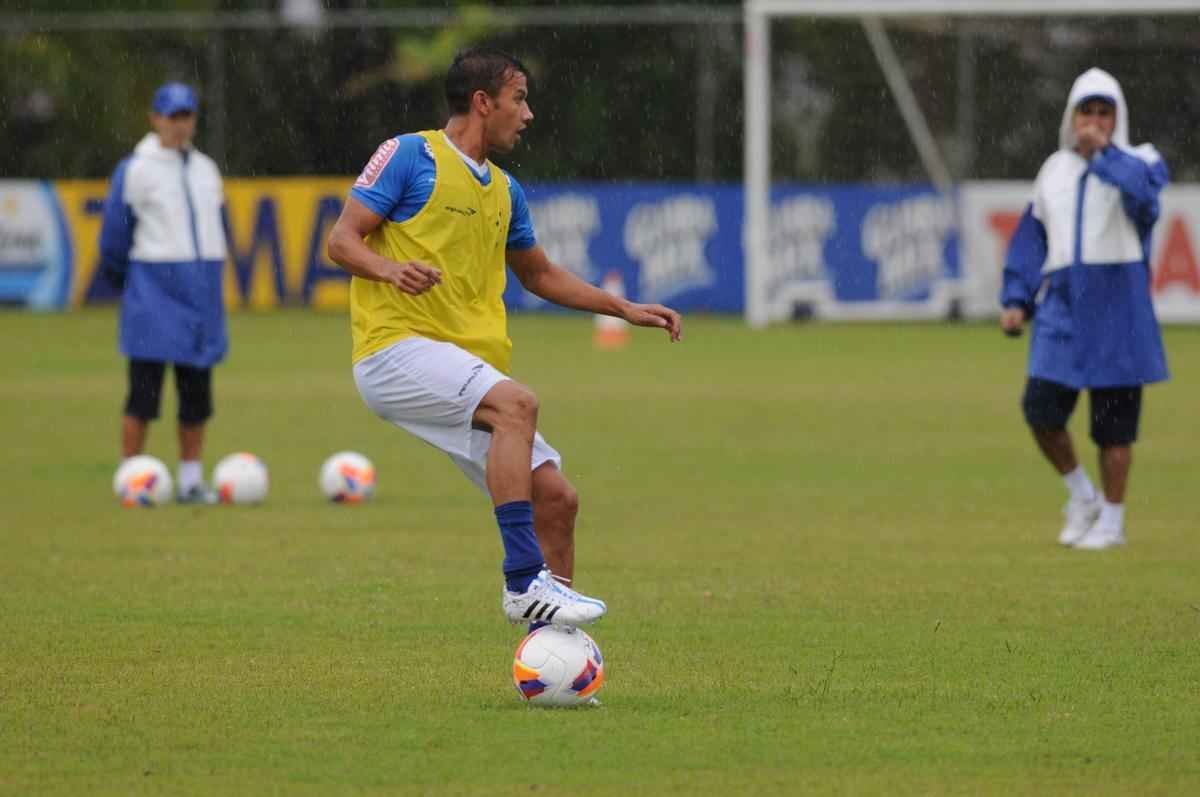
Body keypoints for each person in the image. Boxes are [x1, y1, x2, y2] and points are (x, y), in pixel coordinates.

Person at [326, 48, 682, 627]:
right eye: (519, 99)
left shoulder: (506, 191)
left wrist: (623, 308)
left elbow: (539, 275)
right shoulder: (409, 155)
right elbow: (342, 240)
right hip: (394, 349)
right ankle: (522, 582)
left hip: (463, 372)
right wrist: (391, 270)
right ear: (482, 102)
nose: (529, 113)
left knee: (558, 501)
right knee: (518, 404)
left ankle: (553, 648)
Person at [1000, 67, 1169, 551]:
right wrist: (1016, 297)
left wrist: (1104, 155)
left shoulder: (1141, 160)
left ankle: (1112, 523)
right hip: (1062, 305)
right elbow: (1032, 237)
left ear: (1118, 118)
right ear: (1071, 117)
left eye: (1104, 112)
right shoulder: (1054, 169)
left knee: (1114, 426)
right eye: (1086, 112)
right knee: (1041, 409)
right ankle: (1082, 495)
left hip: (1118, 303)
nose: (1094, 121)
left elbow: (1144, 201)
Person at [99, 81, 229, 504]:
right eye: (172, 116)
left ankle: (191, 480)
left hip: (200, 294)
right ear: (155, 118)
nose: (180, 124)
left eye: (186, 115)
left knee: (196, 394)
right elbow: (115, 239)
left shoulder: (206, 169)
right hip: (153, 293)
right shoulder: (136, 168)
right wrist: (132, 285)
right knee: (143, 394)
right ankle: (129, 476)